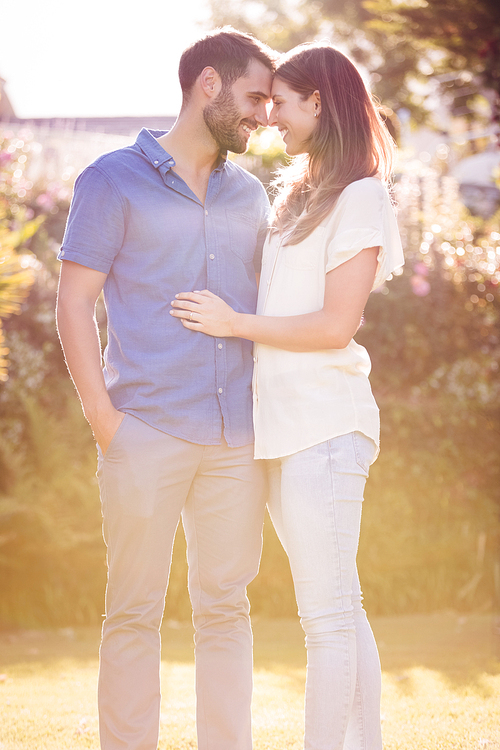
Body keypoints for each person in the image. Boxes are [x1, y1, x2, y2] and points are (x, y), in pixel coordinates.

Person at [170, 42, 404, 749]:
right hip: (281, 432)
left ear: (320, 104)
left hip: (327, 430)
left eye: (281, 102)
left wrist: (234, 324)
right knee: (343, 608)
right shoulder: (298, 194)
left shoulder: (363, 196)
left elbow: (337, 324)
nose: (269, 116)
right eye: (264, 101)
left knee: (326, 621)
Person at [56, 28, 275, 750]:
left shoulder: (252, 195)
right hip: (144, 429)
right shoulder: (112, 179)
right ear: (208, 85)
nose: (264, 115)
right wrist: (104, 418)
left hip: (235, 436)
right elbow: (72, 302)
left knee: (225, 608)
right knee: (133, 612)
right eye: (255, 98)